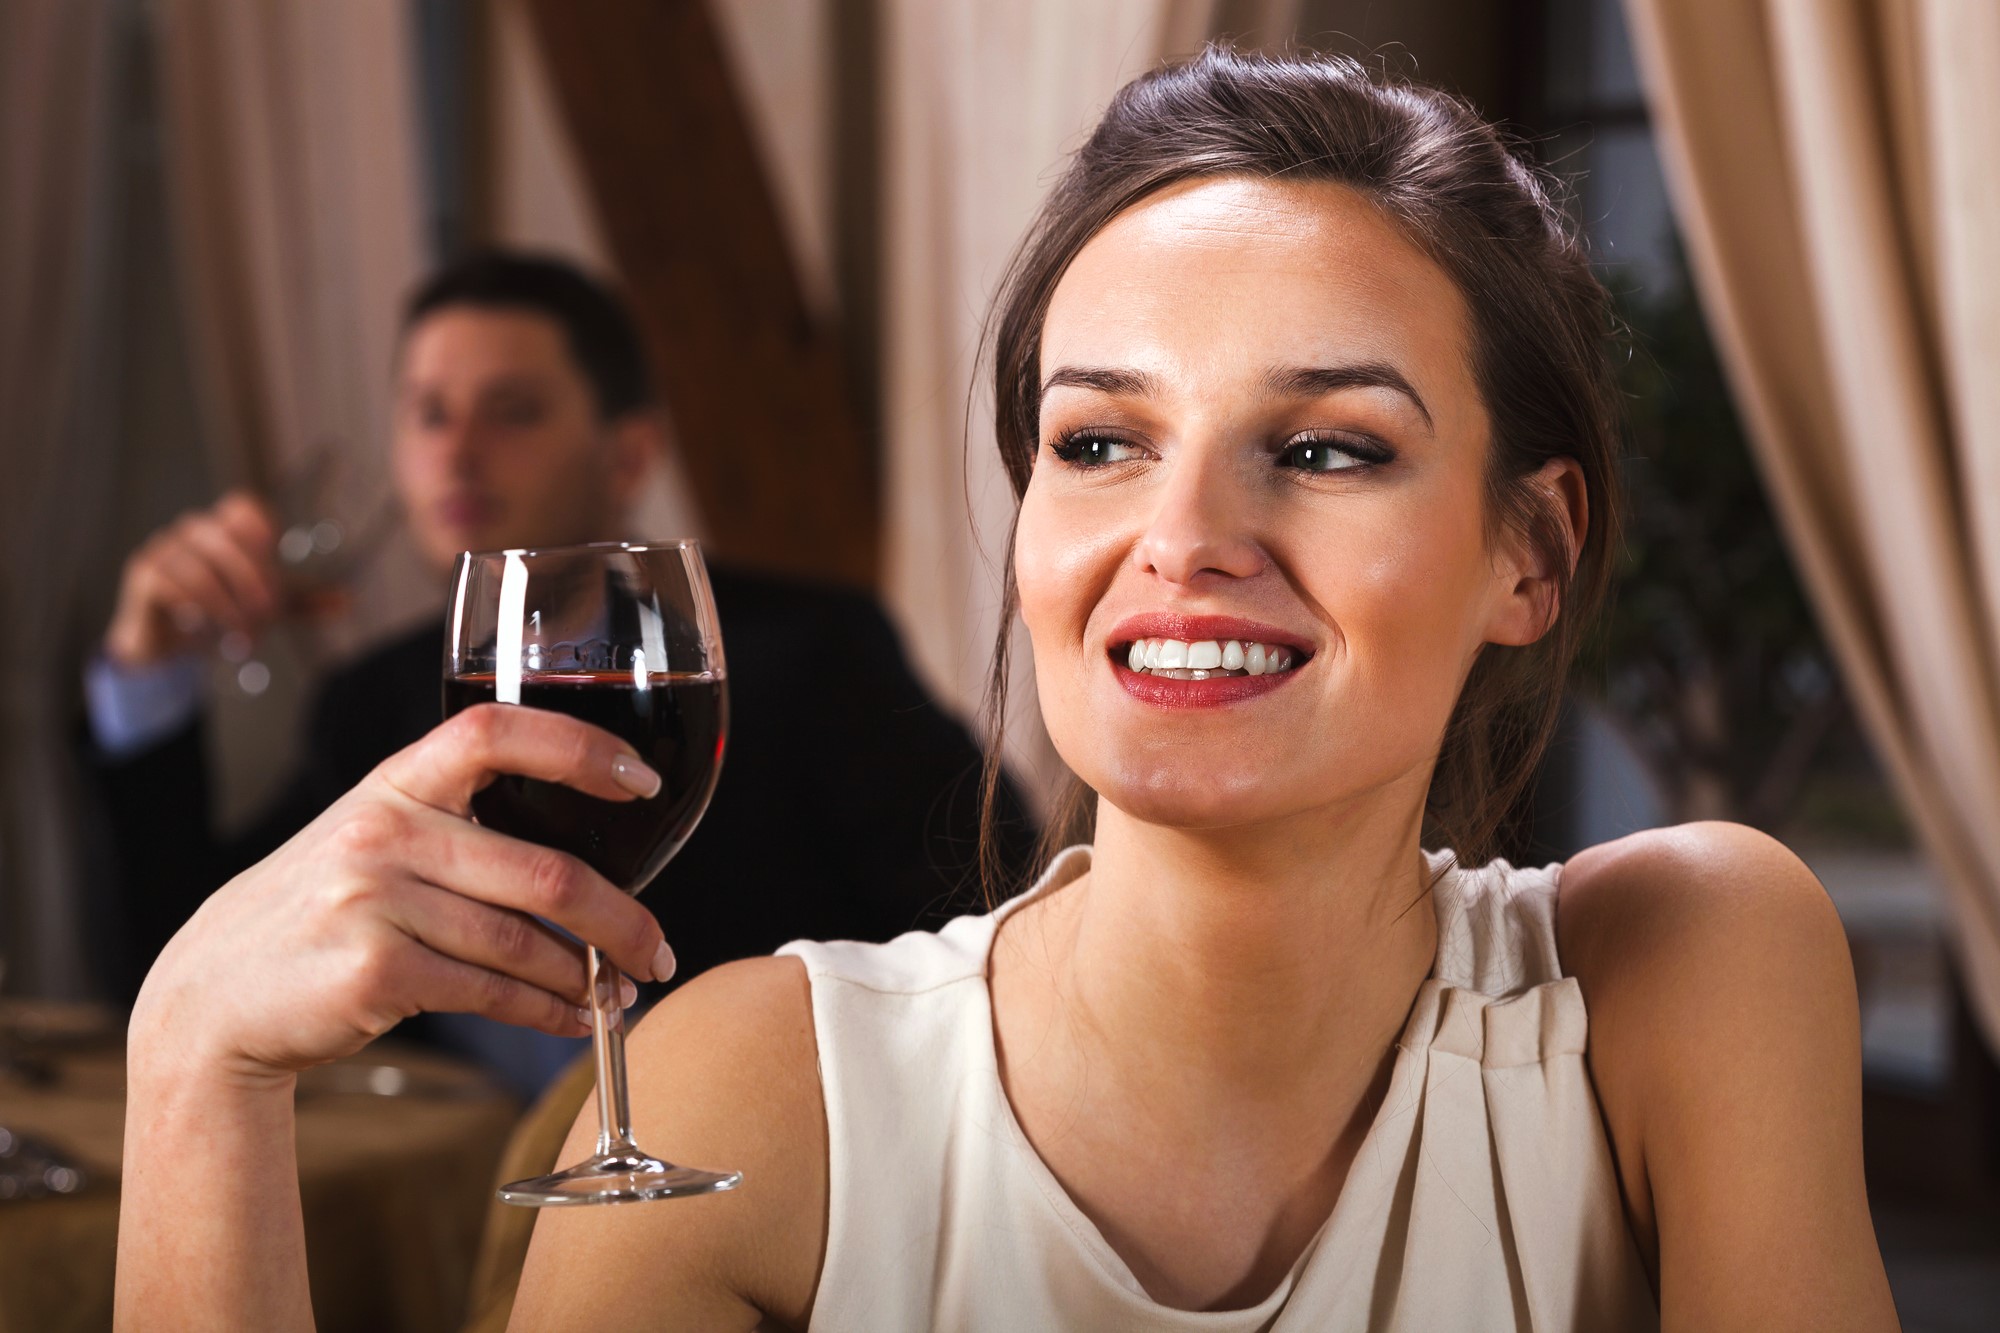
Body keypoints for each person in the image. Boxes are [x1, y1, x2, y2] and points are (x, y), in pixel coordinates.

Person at [116, 49, 1900, 1331]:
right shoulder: (754, 1095)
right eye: (1103, 438)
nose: (1183, 535)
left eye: (1329, 446)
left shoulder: (1692, 965)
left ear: (1533, 552)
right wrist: (195, 1055)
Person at [85, 252, 1027, 1093]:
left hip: (756, 1167)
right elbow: (197, 962)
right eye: (429, 413)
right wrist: (148, 677)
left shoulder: (801, 657)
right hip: (469, 1218)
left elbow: (992, 910)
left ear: (629, 454)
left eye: (514, 412)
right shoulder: (372, 700)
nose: (456, 452)